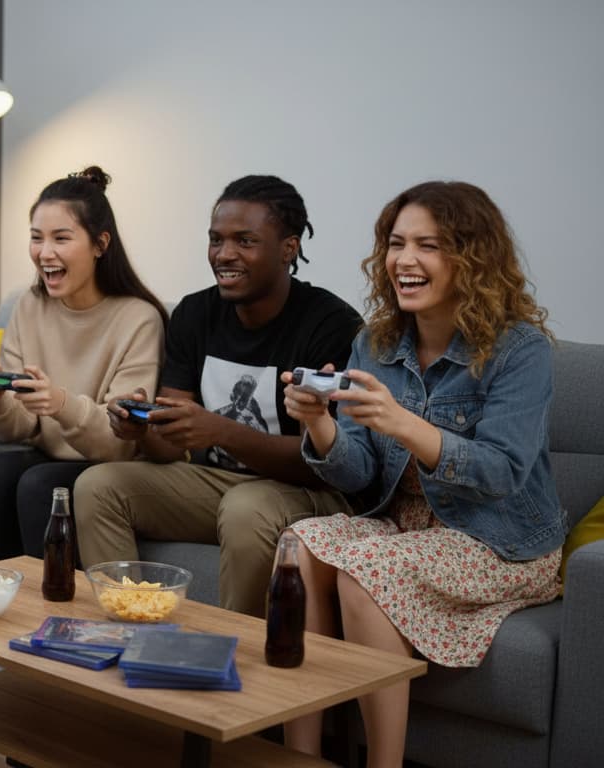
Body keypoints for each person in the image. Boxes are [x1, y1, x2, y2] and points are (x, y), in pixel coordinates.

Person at [280, 181, 565, 766]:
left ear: (472, 259)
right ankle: (298, 758)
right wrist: (320, 425)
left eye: (428, 246)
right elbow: (358, 472)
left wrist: (403, 422)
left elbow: (504, 470)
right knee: (297, 545)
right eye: (397, 243)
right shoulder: (376, 343)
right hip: (411, 527)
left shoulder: (520, 350)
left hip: (498, 539)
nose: (405, 260)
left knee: (365, 570)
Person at [73, 174, 362, 616]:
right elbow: (169, 445)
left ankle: (236, 659)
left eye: (245, 241)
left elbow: (327, 463)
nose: (225, 255)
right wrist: (141, 427)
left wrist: (221, 431)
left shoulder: (330, 325)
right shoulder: (194, 314)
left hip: (305, 492)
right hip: (219, 486)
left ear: (288, 248)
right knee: (98, 485)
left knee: (246, 507)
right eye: (216, 240)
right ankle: (127, 632)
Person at [0, 166, 167, 568]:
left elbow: (119, 443)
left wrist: (59, 403)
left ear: (99, 244)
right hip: (47, 455)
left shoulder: (139, 318)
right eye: (37, 238)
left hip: (108, 468)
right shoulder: (30, 305)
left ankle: (56, 614)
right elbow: (17, 431)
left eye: (61, 238)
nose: (44, 252)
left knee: (40, 485)